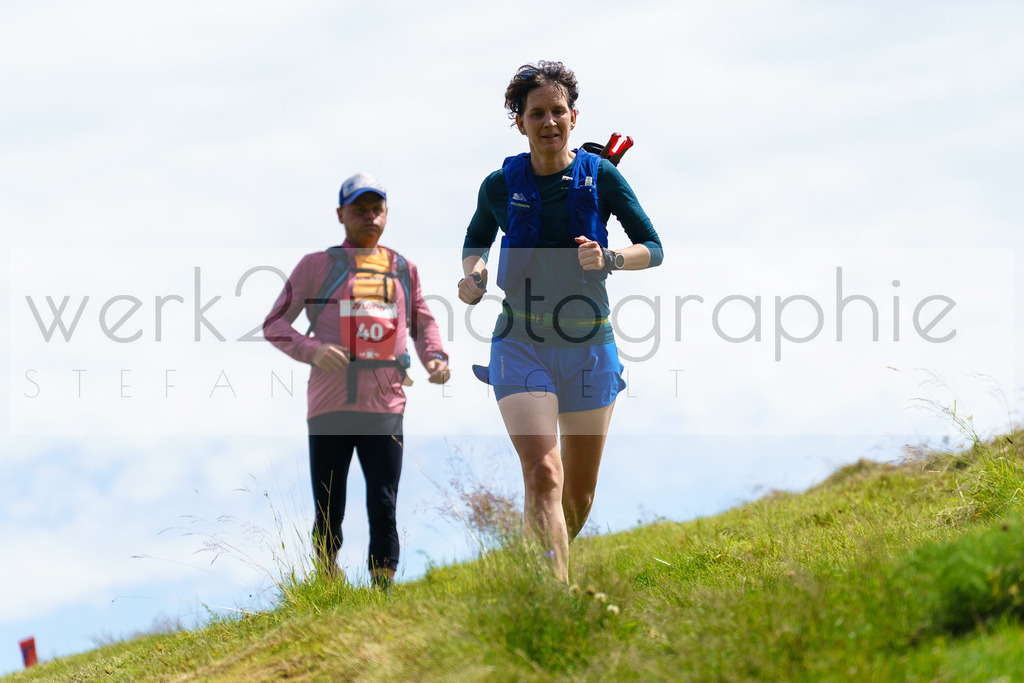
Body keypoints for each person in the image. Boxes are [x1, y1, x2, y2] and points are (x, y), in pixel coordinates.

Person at [458, 61, 663, 583]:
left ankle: (540, 563)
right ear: (520, 123)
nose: (548, 121)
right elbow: (475, 241)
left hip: (589, 343)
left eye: (557, 111)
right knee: (544, 472)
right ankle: (552, 596)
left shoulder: (604, 178)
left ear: (574, 116)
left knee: (577, 495)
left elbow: (654, 248)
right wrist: (474, 275)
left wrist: (612, 258)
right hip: (519, 341)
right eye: (536, 113)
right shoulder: (500, 184)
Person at [265, 172, 450, 588]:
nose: (369, 216)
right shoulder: (318, 266)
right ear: (340, 214)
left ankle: (382, 588)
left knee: (384, 501)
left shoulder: (403, 268)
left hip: (386, 404)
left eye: (377, 209)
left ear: (386, 214)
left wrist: (435, 358)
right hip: (330, 405)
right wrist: (313, 350)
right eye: (359, 209)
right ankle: (326, 577)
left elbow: (423, 322)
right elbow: (275, 323)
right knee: (329, 505)